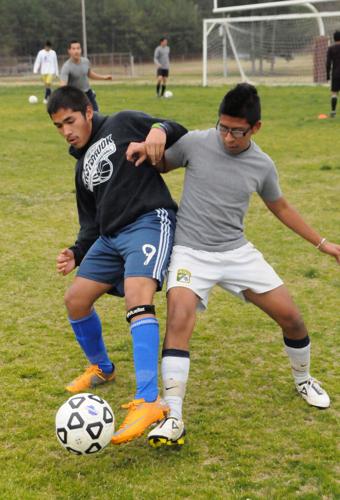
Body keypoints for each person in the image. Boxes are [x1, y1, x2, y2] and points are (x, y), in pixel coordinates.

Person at [127, 83, 340, 448]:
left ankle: (304, 379)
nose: (226, 136)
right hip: (191, 251)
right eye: (222, 127)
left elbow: (282, 208)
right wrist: (149, 146)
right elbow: (160, 164)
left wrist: (324, 244)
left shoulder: (262, 165)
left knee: (292, 318)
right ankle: (173, 416)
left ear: (255, 127)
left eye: (236, 131)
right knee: (179, 317)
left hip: (236, 253)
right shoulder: (197, 142)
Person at [47, 85, 187, 445]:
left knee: (138, 296)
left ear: (88, 112)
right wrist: (77, 252)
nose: (66, 131)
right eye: (59, 126)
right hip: (109, 238)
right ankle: (103, 368)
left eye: (70, 121)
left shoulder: (123, 123)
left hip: (147, 220)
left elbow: (175, 128)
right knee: (76, 300)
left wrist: (158, 130)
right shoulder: (81, 170)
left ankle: (148, 401)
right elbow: (90, 223)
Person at [60, 40, 112, 112]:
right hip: (75, 95)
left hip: (88, 92)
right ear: (69, 51)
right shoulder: (66, 67)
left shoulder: (85, 61)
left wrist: (104, 77)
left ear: (81, 50)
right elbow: (63, 86)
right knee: (81, 116)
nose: (76, 51)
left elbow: (89, 74)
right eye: (74, 49)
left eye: (78, 48)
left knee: (96, 113)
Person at [326, 30, 340, 118]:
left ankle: (333, 112)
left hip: (336, 74)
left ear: (334, 39)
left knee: (334, 93)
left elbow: (328, 63)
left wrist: (327, 74)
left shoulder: (331, 49)